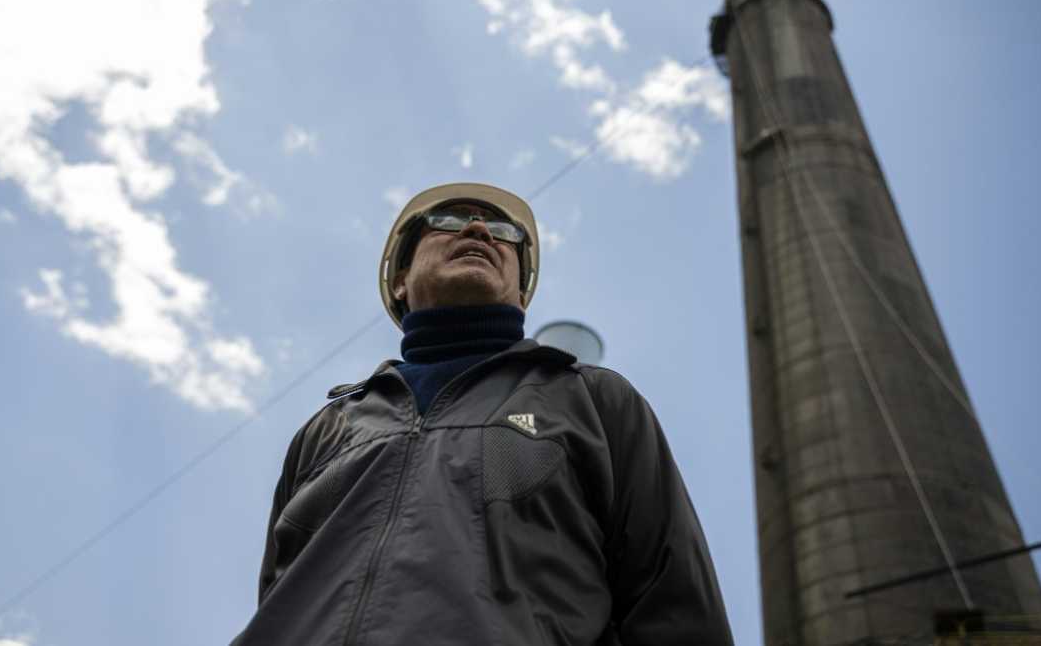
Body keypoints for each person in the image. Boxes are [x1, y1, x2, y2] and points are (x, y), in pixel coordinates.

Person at [232, 182, 734, 645]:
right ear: (401, 281)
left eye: (502, 232)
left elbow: (676, 608)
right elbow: (278, 596)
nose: (477, 230)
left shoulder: (593, 400)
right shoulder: (329, 428)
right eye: (447, 222)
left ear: (520, 291)